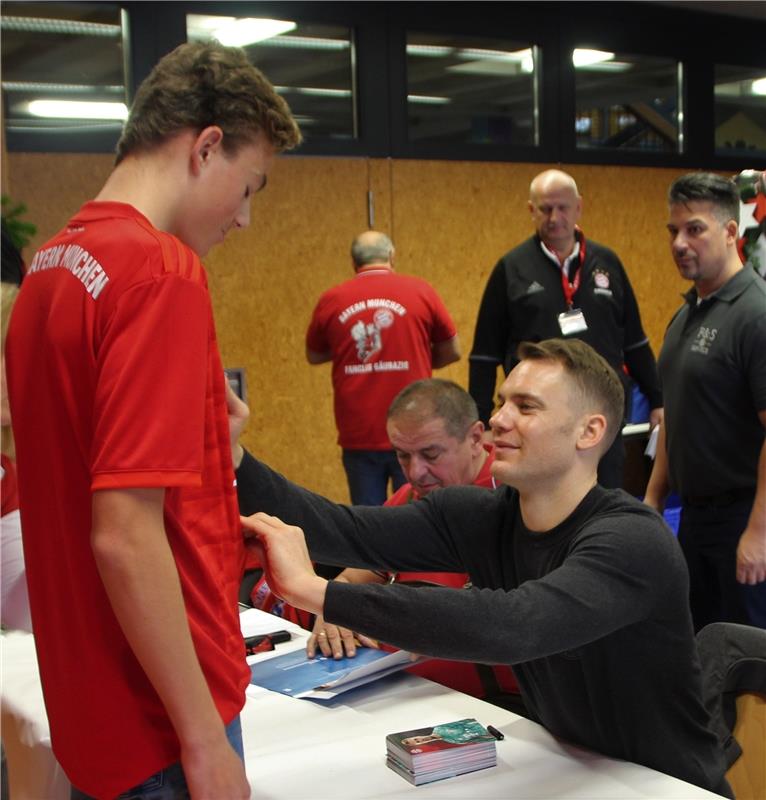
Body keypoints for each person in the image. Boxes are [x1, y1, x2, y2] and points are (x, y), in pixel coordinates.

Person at [237, 338, 729, 796]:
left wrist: (321, 594)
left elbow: (514, 626)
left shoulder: (632, 541)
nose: (499, 420)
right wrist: (231, 450)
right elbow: (344, 530)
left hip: (667, 787)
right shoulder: (479, 515)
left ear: (590, 431)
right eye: (501, 402)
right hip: (570, 771)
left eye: (526, 406)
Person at [5, 42, 300, 800]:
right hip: (162, 723)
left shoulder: (50, 268)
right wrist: (203, 739)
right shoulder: (161, 271)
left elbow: (80, 467)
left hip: (91, 702)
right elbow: (124, 534)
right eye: (248, 186)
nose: (244, 216)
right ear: (206, 147)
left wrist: (207, 446)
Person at [304, 378, 520, 705]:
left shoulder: (518, 501)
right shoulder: (410, 499)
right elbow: (352, 577)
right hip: (399, 694)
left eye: (430, 454)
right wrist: (333, 611)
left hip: (489, 709)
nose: (415, 472)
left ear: (476, 438)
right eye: (403, 456)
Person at [468, 169, 663, 488]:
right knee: (545, 499)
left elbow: (635, 341)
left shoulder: (607, 263)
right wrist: (482, 420)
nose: (554, 217)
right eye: (545, 208)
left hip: (603, 414)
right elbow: (485, 355)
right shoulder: (512, 268)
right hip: (539, 420)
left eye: (563, 207)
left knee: (606, 495)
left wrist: (658, 400)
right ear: (531, 210)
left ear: (579, 208)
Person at [644, 172, 766, 632]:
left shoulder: (755, 314)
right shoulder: (685, 316)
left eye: (694, 229)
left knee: (749, 666)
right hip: (694, 519)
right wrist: (653, 498)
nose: (679, 242)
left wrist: (759, 532)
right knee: (704, 655)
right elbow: (675, 415)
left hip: (745, 518)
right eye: (673, 231)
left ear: (731, 232)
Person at [306, 230, 460, 505]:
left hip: (359, 431)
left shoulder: (332, 299)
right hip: (415, 429)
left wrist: (350, 354)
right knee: (418, 516)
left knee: (368, 525)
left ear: (354, 264)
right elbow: (453, 350)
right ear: (391, 256)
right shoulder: (421, 291)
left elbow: (314, 354)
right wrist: (418, 358)